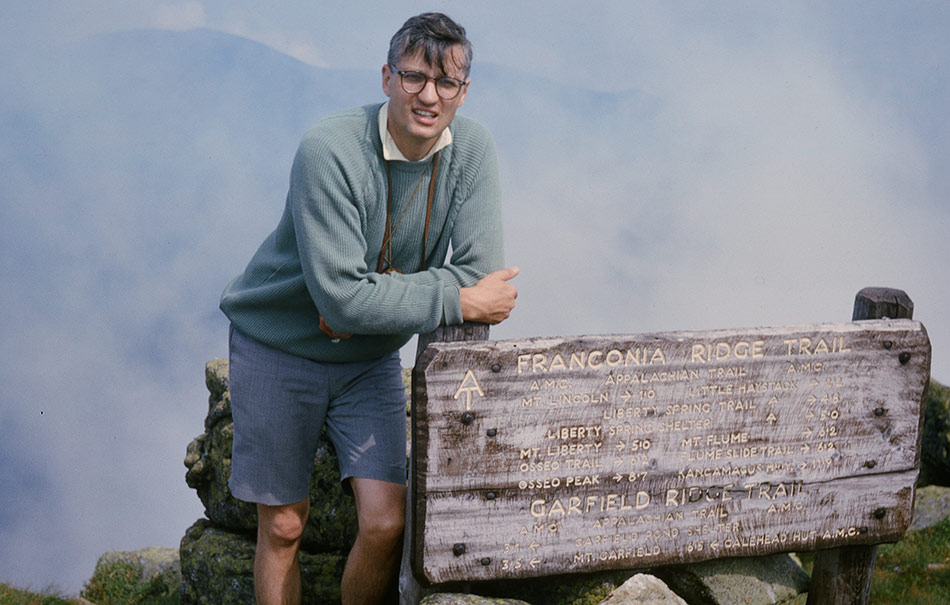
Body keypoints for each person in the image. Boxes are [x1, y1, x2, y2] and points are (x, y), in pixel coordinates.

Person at [219, 12, 518, 604]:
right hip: (279, 345)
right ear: (386, 78)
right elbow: (344, 298)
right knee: (283, 525)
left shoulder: (473, 151)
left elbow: (481, 275)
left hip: (370, 360)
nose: (428, 96)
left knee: (386, 523)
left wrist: (372, 299)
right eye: (413, 77)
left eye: (446, 83)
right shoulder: (329, 150)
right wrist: (443, 295)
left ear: (464, 91)